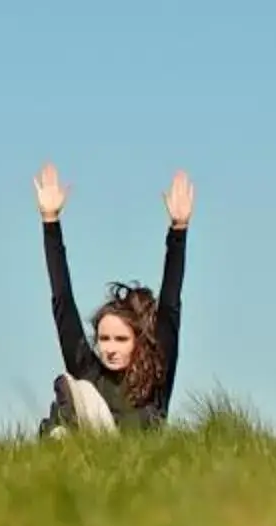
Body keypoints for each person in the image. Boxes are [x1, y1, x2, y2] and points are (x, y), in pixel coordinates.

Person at [31, 163, 193, 435]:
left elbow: (170, 303)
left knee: (129, 413)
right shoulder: (89, 372)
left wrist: (179, 230)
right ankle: (69, 438)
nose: (110, 348)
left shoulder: (157, 375)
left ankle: (99, 432)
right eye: (105, 339)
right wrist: (50, 222)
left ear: (138, 341)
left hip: (136, 458)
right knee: (71, 388)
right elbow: (62, 301)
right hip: (89, 456)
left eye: (121, 339)